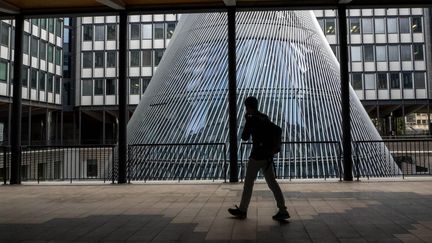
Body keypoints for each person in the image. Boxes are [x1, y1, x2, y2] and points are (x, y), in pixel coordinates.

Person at [228, 96, 290, 221]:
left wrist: (247, 121)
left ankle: (242, 210)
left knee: (248, 184)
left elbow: (245, 137)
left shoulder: (251, 119)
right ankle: (283, 210)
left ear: (248, 107)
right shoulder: (264, 117)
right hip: (267, 157)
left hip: (256, 157)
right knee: (273, 184)